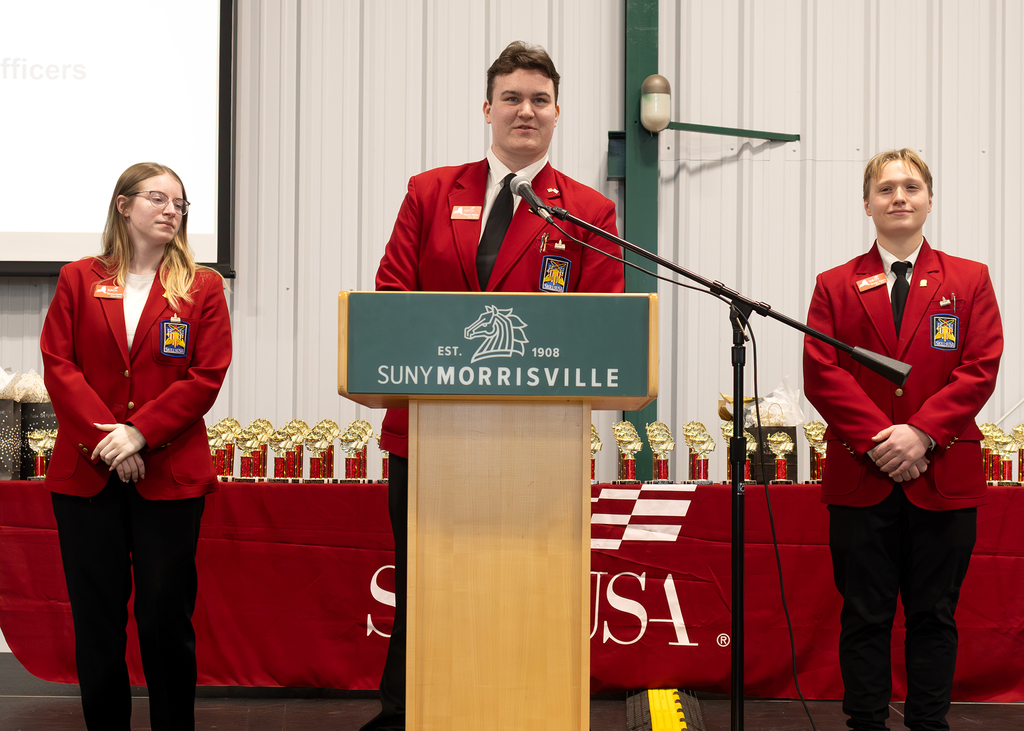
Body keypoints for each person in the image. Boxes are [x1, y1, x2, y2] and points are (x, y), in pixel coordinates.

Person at [362, 41, 624, 731]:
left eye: (539, 99)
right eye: (512, 97)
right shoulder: (429, 191)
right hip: (426, 440)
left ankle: (526, 711)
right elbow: (392, 299)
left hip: (540, 448)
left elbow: (603, 326)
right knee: (424, 585)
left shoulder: (589, 212)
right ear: (488, 108)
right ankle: (405, 716)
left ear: (557, 112)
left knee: (528, 589)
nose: (525, 111)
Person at [802, 149, 1002, 731]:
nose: (898, 197)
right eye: (885, 189)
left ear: (929, 201)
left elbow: (980, 366)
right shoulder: (834, 286)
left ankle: (928, 724)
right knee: (863, 616)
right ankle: (864, 722)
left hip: (942, 476)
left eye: (911, 187)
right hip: (862, 477)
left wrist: (921, 434)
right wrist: (879, 440)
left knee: (934, 615)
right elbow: (823, 371)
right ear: (866, 204)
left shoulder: (970, 279)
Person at [39, 162, 232, 731]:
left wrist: (139, 433)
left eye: (181, 203)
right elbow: (59, 364)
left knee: (164, 619)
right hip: (88, 476)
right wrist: (111, 440)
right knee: (97, 622)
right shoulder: (78, 278)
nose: (172, 209)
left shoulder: (203, 286)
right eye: (158, 198)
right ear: (124, 206)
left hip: (168, 477)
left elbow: (206, 375)